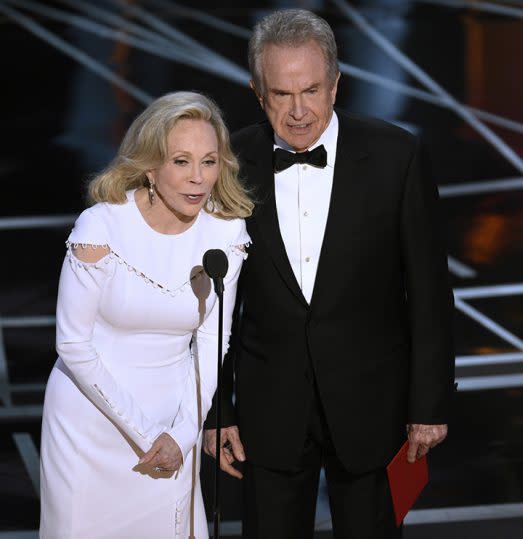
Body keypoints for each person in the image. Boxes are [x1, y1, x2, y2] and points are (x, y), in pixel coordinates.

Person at [203, 9, 456, 539]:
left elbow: (429, 291)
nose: (298, 111)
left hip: (375, 408)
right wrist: (217, 410)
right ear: (257, 91)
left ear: (336, 84)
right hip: (268, 413)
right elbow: (212, 306)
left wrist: (428, 403)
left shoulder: (397, 156)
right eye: (281, 94)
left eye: (311, 90)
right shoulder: (229, 163)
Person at [39, 91, 252, 539]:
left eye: (209, 162)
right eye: (181, 162)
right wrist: (146, 433)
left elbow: (215, 343)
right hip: (91, 420)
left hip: (176, 417)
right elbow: (72, 344)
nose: (198, 179)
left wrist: (185, 433)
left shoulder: (227, 232)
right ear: (150, 167)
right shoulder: (102, 227)